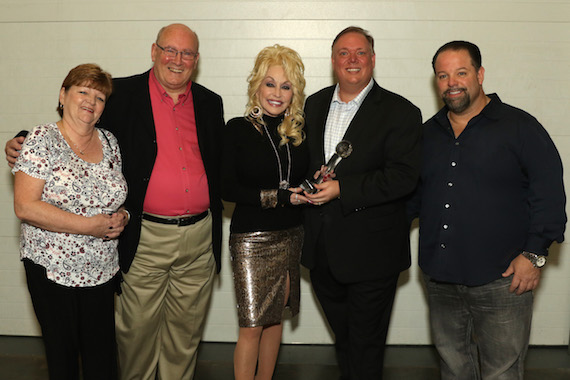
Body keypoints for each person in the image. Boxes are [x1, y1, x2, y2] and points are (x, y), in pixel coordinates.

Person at [6, 24, 225, 380]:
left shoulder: (209, 102)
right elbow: (75, 122)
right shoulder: (120, 94)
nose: (177, 59)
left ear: (196, 60)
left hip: (198, 238)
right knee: (134, 334)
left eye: (186, 53)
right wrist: (20, 140)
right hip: (146, 235)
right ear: (153, 52)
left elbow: (220, 163)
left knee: (185, 335)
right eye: (169, 49)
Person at [408, 41, 566, 380]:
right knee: (453, 369)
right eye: (443, 75)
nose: (452, 83)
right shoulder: (427, 135)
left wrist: (534, 255)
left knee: (502, 373)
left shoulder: (520, 127)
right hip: (440, 278)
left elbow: (549, 195)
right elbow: (411, 198)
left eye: (461, 73)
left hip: (503, 281)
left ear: (480, 75)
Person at [299, 26, 423, 379]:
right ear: (333, 60)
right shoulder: (315, 103)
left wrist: (343, 189)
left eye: (360, 52)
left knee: (366, 345)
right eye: (343, 52)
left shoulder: (401, 111)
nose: (352, 60)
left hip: (374, 253)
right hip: (322, 252)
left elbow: (403, 177)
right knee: (346, 339)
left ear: (372, 59)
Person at [12, 63, 128, 380]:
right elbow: (25, 206)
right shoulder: (41, 139)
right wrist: (88, 226)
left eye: (100, 97)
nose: (91, 101)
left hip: (102, 270)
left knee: (102, 362)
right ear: (63, 95)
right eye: (83, 92)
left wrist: (123, 217)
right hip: (52, 271)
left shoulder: (110, 143)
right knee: (63, 362)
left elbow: (117, 196)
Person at [221, 45, 309, 380]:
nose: (276, 93)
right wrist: (280, 197)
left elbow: (302, 178)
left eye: (285, 86)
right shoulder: (237, 129)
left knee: (275, 319)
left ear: (294, 92)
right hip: (251, 240)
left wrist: (313, 185)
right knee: (252, 324)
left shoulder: (298, 132)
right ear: (257, 85)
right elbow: (227, 189)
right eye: (270, 83)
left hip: (291, 234)